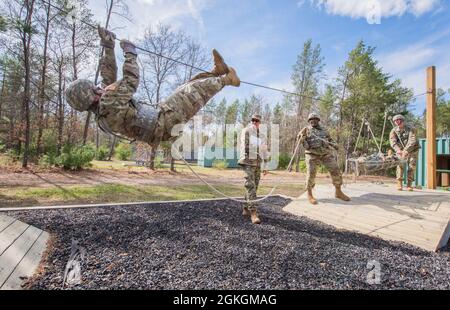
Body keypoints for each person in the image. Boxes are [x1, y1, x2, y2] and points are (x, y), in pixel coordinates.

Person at [65, 26, 240, 148]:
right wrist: (130, 54)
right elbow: (131, 80)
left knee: (186, 87)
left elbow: (108, 77)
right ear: (92, 96)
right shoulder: (109, 103)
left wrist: (108, 46)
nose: (98, 88)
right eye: (95, 88)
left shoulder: (102, 112)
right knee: (192, 92)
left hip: (160, 117)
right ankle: (228, 79)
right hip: (164, 123)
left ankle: (216, 72)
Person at [296, 113, 351, 205]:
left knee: (336, 170)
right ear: (309, 121)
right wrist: (301, 138)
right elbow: (299, 140)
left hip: (326, 154)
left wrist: (335, 144)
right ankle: (309, 194)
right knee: (311, 174)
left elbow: (329, 139)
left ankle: (338, 192)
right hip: (312, 154)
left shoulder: (324, 130)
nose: (313, 121)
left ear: (318, 120)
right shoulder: (306, 130)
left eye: (315, 119)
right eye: (311, 120)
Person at [238, 114, 268, 224]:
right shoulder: (246, 131)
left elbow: (265, 151)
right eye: (253, 120)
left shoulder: (263, 135)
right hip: (248, 161)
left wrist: (265, 166)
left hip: (258, 163)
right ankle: (254, 212)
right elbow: (246, 146)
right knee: (250, 185)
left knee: (255, 186)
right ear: (251, 121)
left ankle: (246, 208)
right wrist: (259, 146)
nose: (255, 122)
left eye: (257, 121)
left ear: (260, 122)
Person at [389, 114, 420, 191]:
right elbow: (393, 141)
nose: (397, 122)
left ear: (402, 120)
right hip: (401, 151)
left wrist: (406, 150)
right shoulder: (394, 130)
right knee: (400, 165)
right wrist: (398, 150)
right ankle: (399, 183)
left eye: (398, 120)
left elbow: (412, 140)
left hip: (413, 150)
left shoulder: (411, 129)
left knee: (412, 166)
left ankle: (409, 184)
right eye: (395, 121)